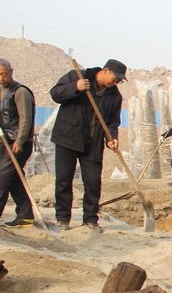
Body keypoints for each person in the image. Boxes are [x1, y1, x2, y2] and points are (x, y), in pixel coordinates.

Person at [50, 58, 127, 231]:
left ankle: (90, 220)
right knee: (64, 180)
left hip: (92, 143)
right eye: (116, 78)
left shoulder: (115, 96)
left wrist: (112, 137)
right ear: (106, 71)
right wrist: (74, 88)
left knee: (93, 182)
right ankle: (62, 218)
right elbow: (55, 94)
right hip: (67, 138)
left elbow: (113, 121)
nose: (117, 82)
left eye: (120, 80)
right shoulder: (77, 77)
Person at [0, 58, 36, 227]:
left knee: (3, 178)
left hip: (18, 143)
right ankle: (26, 214)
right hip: (4, 141)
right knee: (14, 178)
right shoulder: (1, 91)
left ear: (11, 72)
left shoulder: (20, 92)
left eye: (4, 74)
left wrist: (20, 141)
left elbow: (25, 119)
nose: (1, 78)